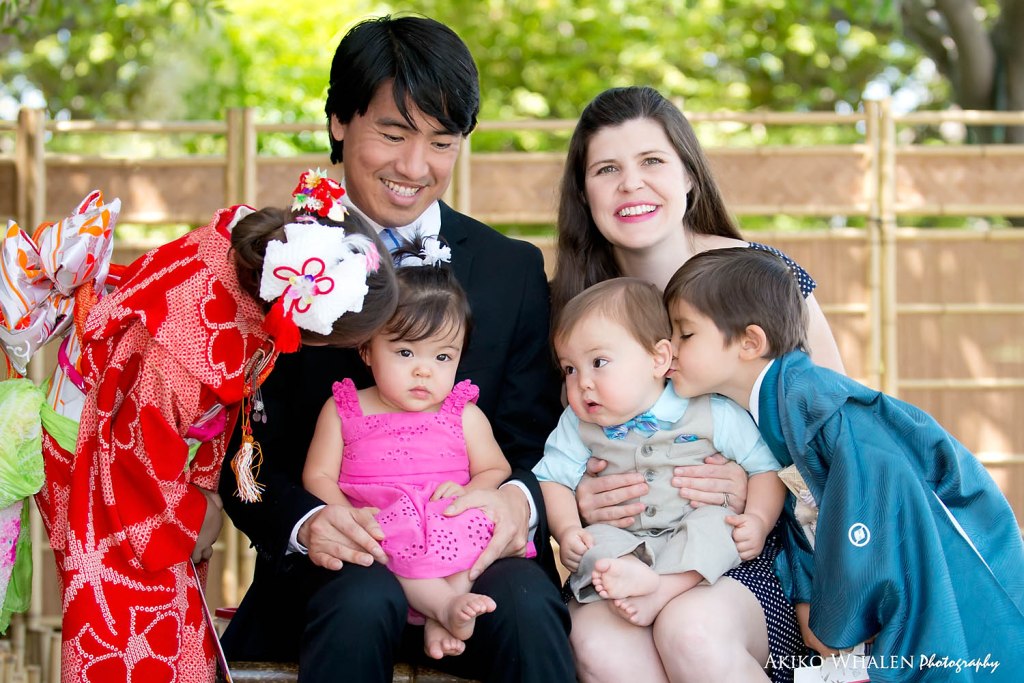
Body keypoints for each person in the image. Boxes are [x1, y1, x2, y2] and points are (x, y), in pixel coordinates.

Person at [219, 15, 574, 683]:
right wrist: (308, 522)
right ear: (338, 122)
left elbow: (540, 441)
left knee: (526, 608)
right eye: (392, 133)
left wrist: (515, 503)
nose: (415, 166)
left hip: (476, 553)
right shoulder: (276, 263)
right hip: (337, 566)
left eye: (442, 142)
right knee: (362, 598)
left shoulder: (512, 271)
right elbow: (241, 454)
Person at [29, 174, 396, 682]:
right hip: (105, 465)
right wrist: (196, 512)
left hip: (136, 444)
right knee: (128, 626)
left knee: (176, 620)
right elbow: (136, 455)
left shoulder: (244, 252)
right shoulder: (181, 349)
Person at [550, 85, 844, 682]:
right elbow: (550, 449)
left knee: (692, 631)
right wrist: (579, 499)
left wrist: (756, 486)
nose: (631, 184)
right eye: (607, 169)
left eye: (652, 161)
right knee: (598, 645)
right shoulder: (571, 307)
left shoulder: (763, 278)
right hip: (626, 548)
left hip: (754, 549)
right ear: (584, 193)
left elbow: (838, 437)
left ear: (689, 175)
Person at [664, 246, 1024, 682]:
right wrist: (807, 597)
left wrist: (838, 617)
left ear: (750, 342)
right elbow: (807, 514)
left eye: (685, 334)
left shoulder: (826, 410)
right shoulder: (781, 409)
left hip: (930, 560)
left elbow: (874, 507)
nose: (669, 350)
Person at [303, 250, 522, 660]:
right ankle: (443, 608)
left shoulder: (462, 413)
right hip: (381, 520)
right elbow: (318, 475)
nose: (424, 370)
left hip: (445, 517)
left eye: (443, 357)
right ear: (367, 350)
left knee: (474, 534)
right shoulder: (346, 408)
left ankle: (444, 609)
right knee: (390, 546)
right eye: (406, 353)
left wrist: (469, 493)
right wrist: (345, 515)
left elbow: (495, 466)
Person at [534, 278, 785, 631]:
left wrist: (757, 518)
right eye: (570, 369)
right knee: (595, 543)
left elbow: (765, 467)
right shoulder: (576, 424)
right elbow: (552, 478)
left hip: (692, 525)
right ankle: (628, 571)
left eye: (599, 362)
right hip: (624, 537)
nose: (582, 382)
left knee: (719, 526)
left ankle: (665, 586)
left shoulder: (711, 410)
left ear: (658, 358)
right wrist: (569, 529)